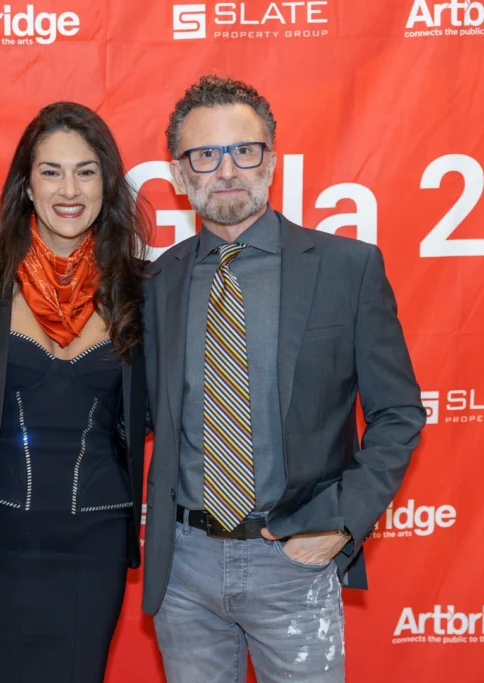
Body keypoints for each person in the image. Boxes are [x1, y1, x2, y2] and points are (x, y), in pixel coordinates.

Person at [141, 75, 425, 682]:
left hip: (293, 562)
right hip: (184, 569)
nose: (227, 171)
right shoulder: (156, 282)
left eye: (244, 150)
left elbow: (398, 413)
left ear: (271, 160)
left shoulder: (347, 268)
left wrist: (341, 523)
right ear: (179, 173)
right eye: (204, 154)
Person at [0, 101, 151, 683]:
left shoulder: (143, 292)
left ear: (107, 185)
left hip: (94, 547)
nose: (69, 189)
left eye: (86, 171)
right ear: (26, 185)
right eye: (51, 171)